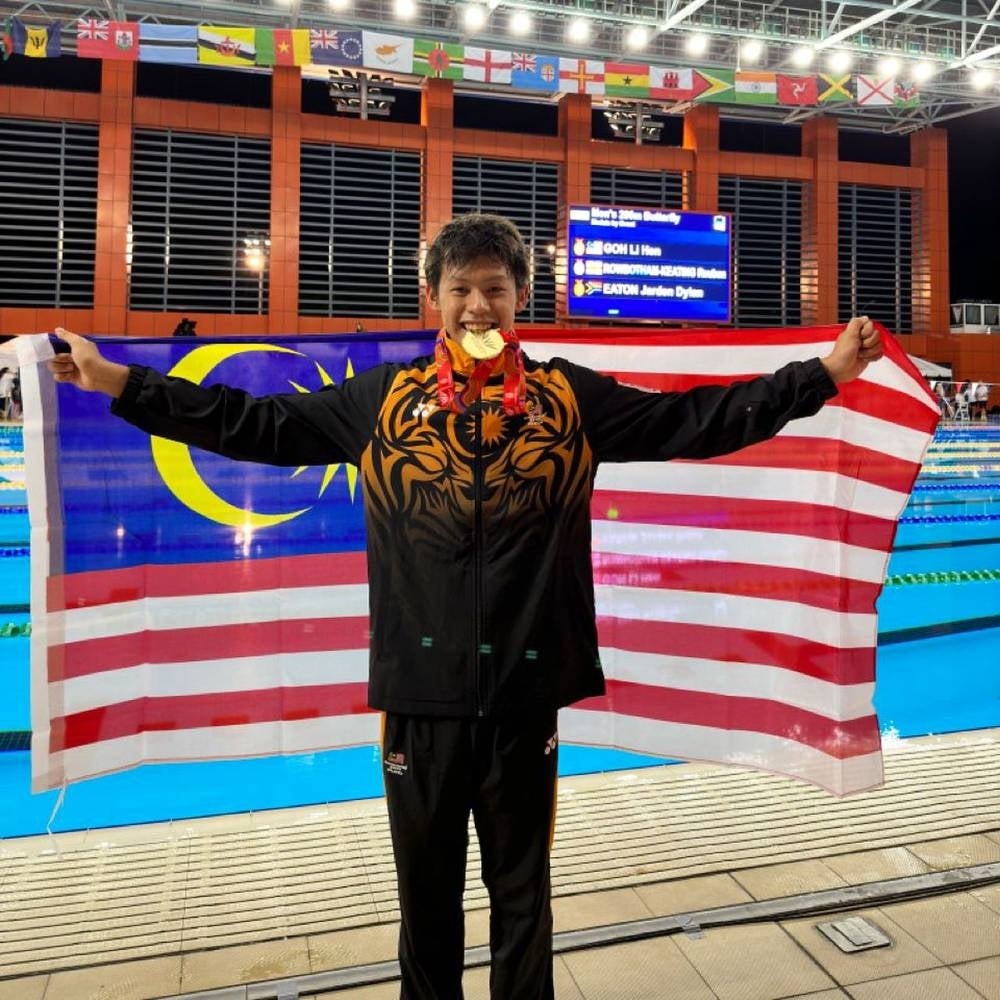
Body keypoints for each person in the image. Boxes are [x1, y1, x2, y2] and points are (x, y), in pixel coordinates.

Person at [48, 213, 882, 1000]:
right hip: (421, 697)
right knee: (427, 904)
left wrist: (823, 376)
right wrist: (118, 382)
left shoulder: (567, 400)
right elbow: (249, 421)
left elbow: (693, 420)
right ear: (434, 300)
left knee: (524, 900)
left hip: (525, 699)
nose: (478, 303)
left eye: (494, 287)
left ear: (520, 298)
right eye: (460, 288)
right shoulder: (381, 400)